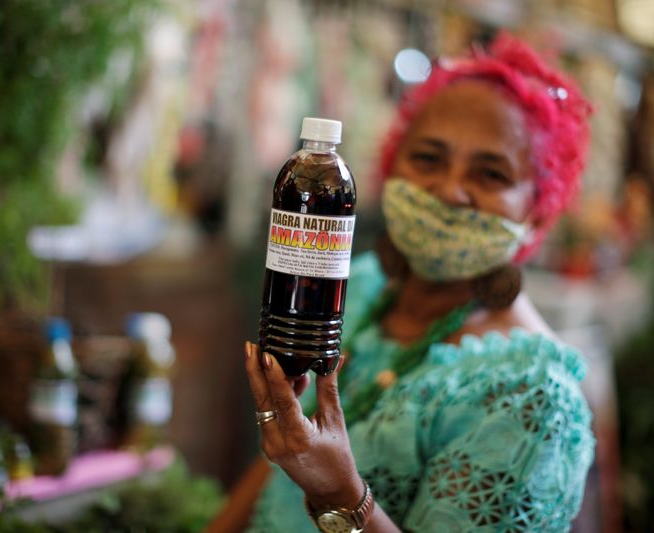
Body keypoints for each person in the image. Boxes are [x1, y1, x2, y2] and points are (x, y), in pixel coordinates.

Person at [209, 32, 595, 533]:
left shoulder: (531, 396)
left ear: (538, 213)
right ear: (391, 168)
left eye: (491, 174)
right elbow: (274, 470)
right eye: (429, 159)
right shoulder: (358, 291)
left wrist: (341, 494)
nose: (450, 191)